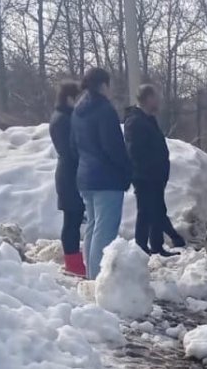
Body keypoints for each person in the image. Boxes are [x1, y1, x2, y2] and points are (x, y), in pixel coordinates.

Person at [72, 68, 132, 280]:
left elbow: (74, 145)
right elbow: (113, 146)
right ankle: (100, 281)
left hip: (85, 176)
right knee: (104, 231)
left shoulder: (79, 109)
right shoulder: (104, 110)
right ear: (104, 85)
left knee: (92, 227)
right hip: (107, 178)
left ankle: (91, 275)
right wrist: (126, 170)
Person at [124, 84, 185, 257]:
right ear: (148, 98)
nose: (158, 101)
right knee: (145, 212)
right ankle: (141, 247)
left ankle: (157, 245)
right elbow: (135, 152)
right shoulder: (135, 121)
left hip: (156, 177)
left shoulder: (148, 119)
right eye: (156, 97)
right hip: (145, 176)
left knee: (157, 210)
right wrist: (150, 168)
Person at [49, 80, 86, 277]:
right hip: (70, 174)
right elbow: (71, 149)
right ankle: (73, 262)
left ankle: (74, 260)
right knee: (72, 220)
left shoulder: (60, 116)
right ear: (71, 98)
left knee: (74, 218)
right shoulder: (65, 119)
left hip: (68, 172)